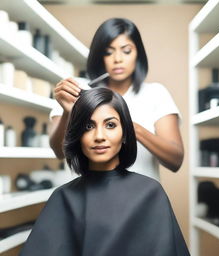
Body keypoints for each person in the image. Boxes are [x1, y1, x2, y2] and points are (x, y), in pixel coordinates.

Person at [20, 87, 190, 256]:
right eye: (88, 126)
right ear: (78, 136)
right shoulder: (63, 198)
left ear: (124, 134)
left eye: (110, 125)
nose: (99, 136)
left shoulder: (151, 193)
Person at [49, 17, 184, 181]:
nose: (117, 59)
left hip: (139, 198)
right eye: (108, 52)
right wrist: (67, 112)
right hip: (84, 199)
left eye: (126, 51)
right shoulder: (78, 90)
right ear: (100, 56)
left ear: (138, 54)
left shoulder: (156, 93)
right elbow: (58, 152)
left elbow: (175, 160)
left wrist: (132, 128)